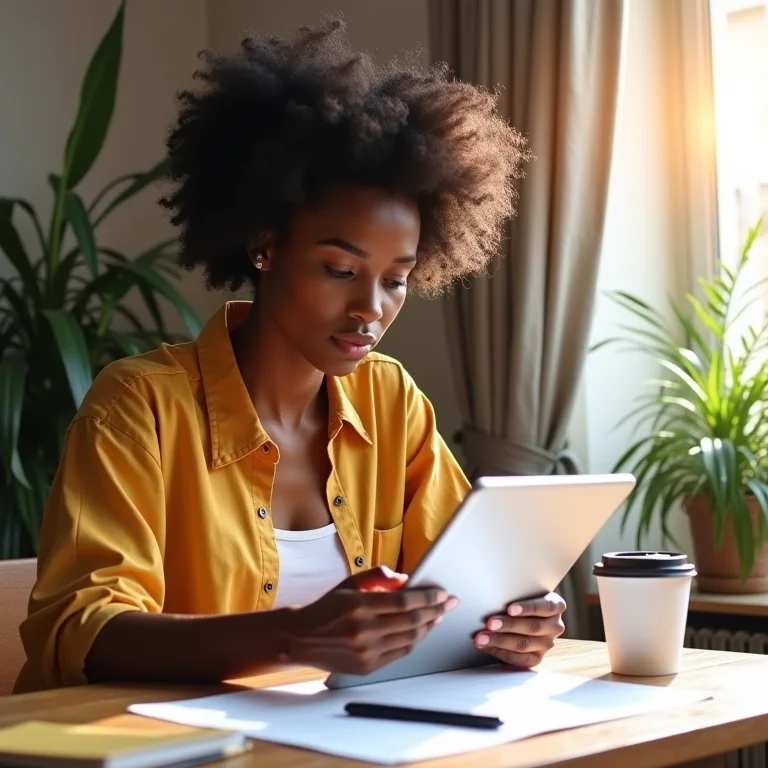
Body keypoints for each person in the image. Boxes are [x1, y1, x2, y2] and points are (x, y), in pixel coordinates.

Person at [14, 20, 565, 694]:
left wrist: (509, 627)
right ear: (265, 246)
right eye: (339, 269)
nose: (371, 308)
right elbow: (81, 629)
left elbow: (457, 594)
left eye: (396, 279)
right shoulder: (139, 408)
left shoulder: (392, 403)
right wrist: (293, 635)